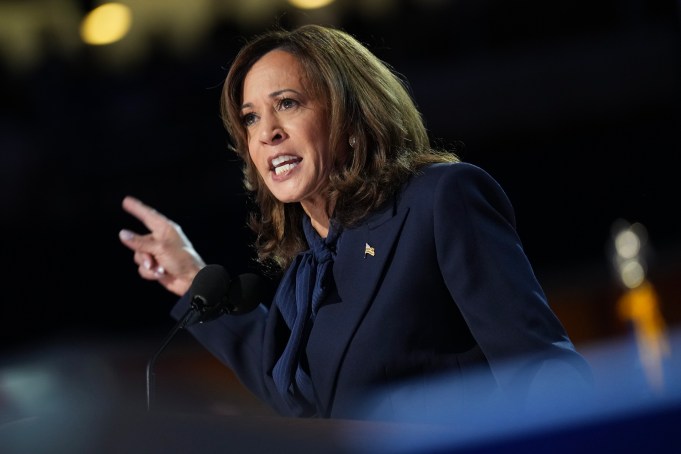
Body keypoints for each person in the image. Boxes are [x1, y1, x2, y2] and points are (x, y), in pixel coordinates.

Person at [119, 24, 592, 421]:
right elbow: (297, 391)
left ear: (348, 116)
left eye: (287, 103)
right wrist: (188, 279)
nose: (267, 133)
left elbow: (539, 369)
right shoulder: (308, 265)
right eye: (250, 118)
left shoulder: (439, 199)